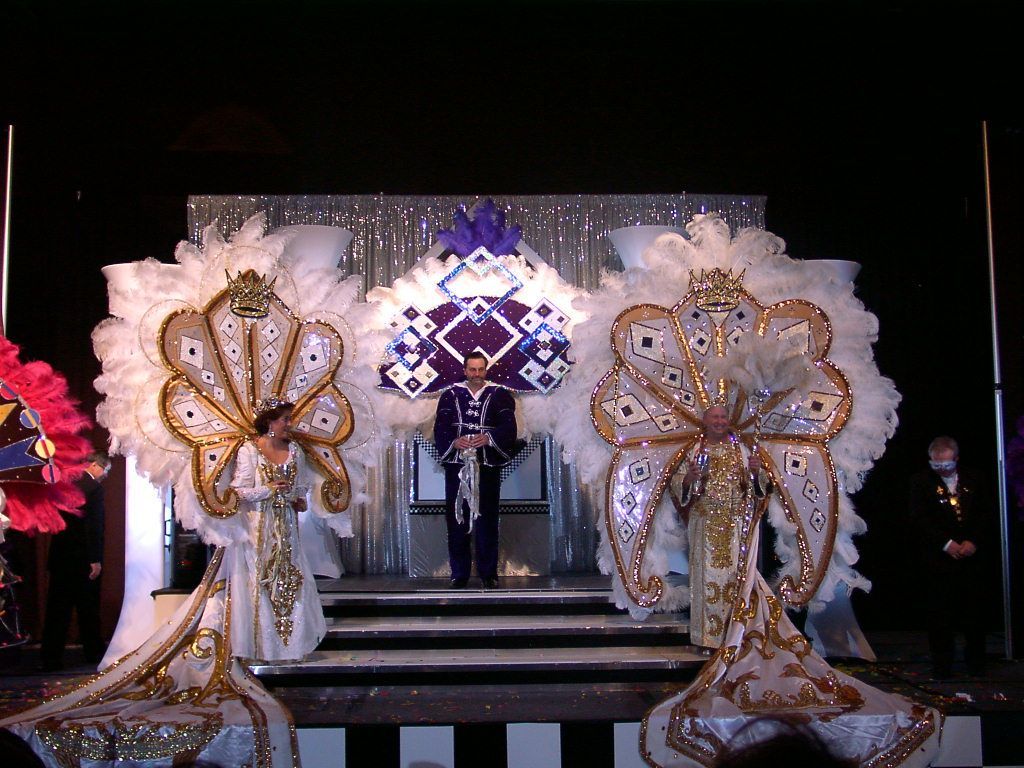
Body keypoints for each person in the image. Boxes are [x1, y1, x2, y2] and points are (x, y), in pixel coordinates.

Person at [227, 398, 326, 661]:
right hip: (258, 531)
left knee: (290, 581)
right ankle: (262, 649)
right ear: (270, 421)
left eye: (290, 419)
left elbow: (302, 485)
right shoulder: (249, 451)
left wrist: (299, 498)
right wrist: (267, 490)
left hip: (288, 531)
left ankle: (291, 648)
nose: (289, 424)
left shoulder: (296, 451)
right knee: (261, 583)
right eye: (285, 419)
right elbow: (238, 491)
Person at [671, 404, 771, 648]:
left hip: (736, 525)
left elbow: (759, 489)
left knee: (738, 580)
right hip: (704, 526)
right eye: (714, 417)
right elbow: (676, 483)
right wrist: (689, 479)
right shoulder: (693, 450)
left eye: (723, 417)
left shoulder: (743, 449)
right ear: (705, 420)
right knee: (705, 581)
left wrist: (757, 474)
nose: (719, 421)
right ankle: (708, 639)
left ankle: (737, 636)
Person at [433, 352, 518, 589]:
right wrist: (454, 442)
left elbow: (509, 426)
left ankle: (488, 573)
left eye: (481, 370)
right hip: (458, 466)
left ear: (486, 370)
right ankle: (458, 573)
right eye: (472, 370)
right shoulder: (450, 394)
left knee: (487, 518)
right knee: (457, 518)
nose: (477, 375)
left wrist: (489, 438)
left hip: (487, 465)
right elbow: (440, 425)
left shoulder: (499, 394)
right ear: (465, 369)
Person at [909, 435, 988, 678]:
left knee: (974, 613)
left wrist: (973, 541)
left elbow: (986, 513)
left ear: (956, 459)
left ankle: (976, 663)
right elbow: (919, 518)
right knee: (940, 615)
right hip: (938, 560)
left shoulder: (975, 479)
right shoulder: (921, 482)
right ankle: (942, 665)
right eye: (937, 465)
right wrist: (946, 544)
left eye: (947, 465)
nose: (942, 470)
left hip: (971, 559)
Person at [39, 450, 110, 670]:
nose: (104, 476)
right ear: (96, 466)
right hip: (83, 559)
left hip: (60, 556)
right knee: (88, 608)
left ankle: (50, 657)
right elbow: (94, 525)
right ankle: (93, 652)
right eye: (105, 471)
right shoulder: (94, 488)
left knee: (57, 610)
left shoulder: (65, 483)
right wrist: (95, 558)